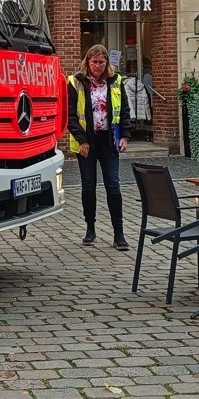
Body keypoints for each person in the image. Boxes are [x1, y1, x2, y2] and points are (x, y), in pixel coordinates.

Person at [67, 44, 130, 249]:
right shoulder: (75, 82)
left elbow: (125, 111)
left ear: (106, 63)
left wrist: (125, 136)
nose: (97, 66)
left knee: (113, 184)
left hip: (109, 139)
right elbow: (71, 115)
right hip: (86, 141)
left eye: (101, 62)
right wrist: (82, 140)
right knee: (88, 185)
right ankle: (90, 229)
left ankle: (118, 234)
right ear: (87, 61)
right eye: (94, 62)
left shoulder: (116, 81)